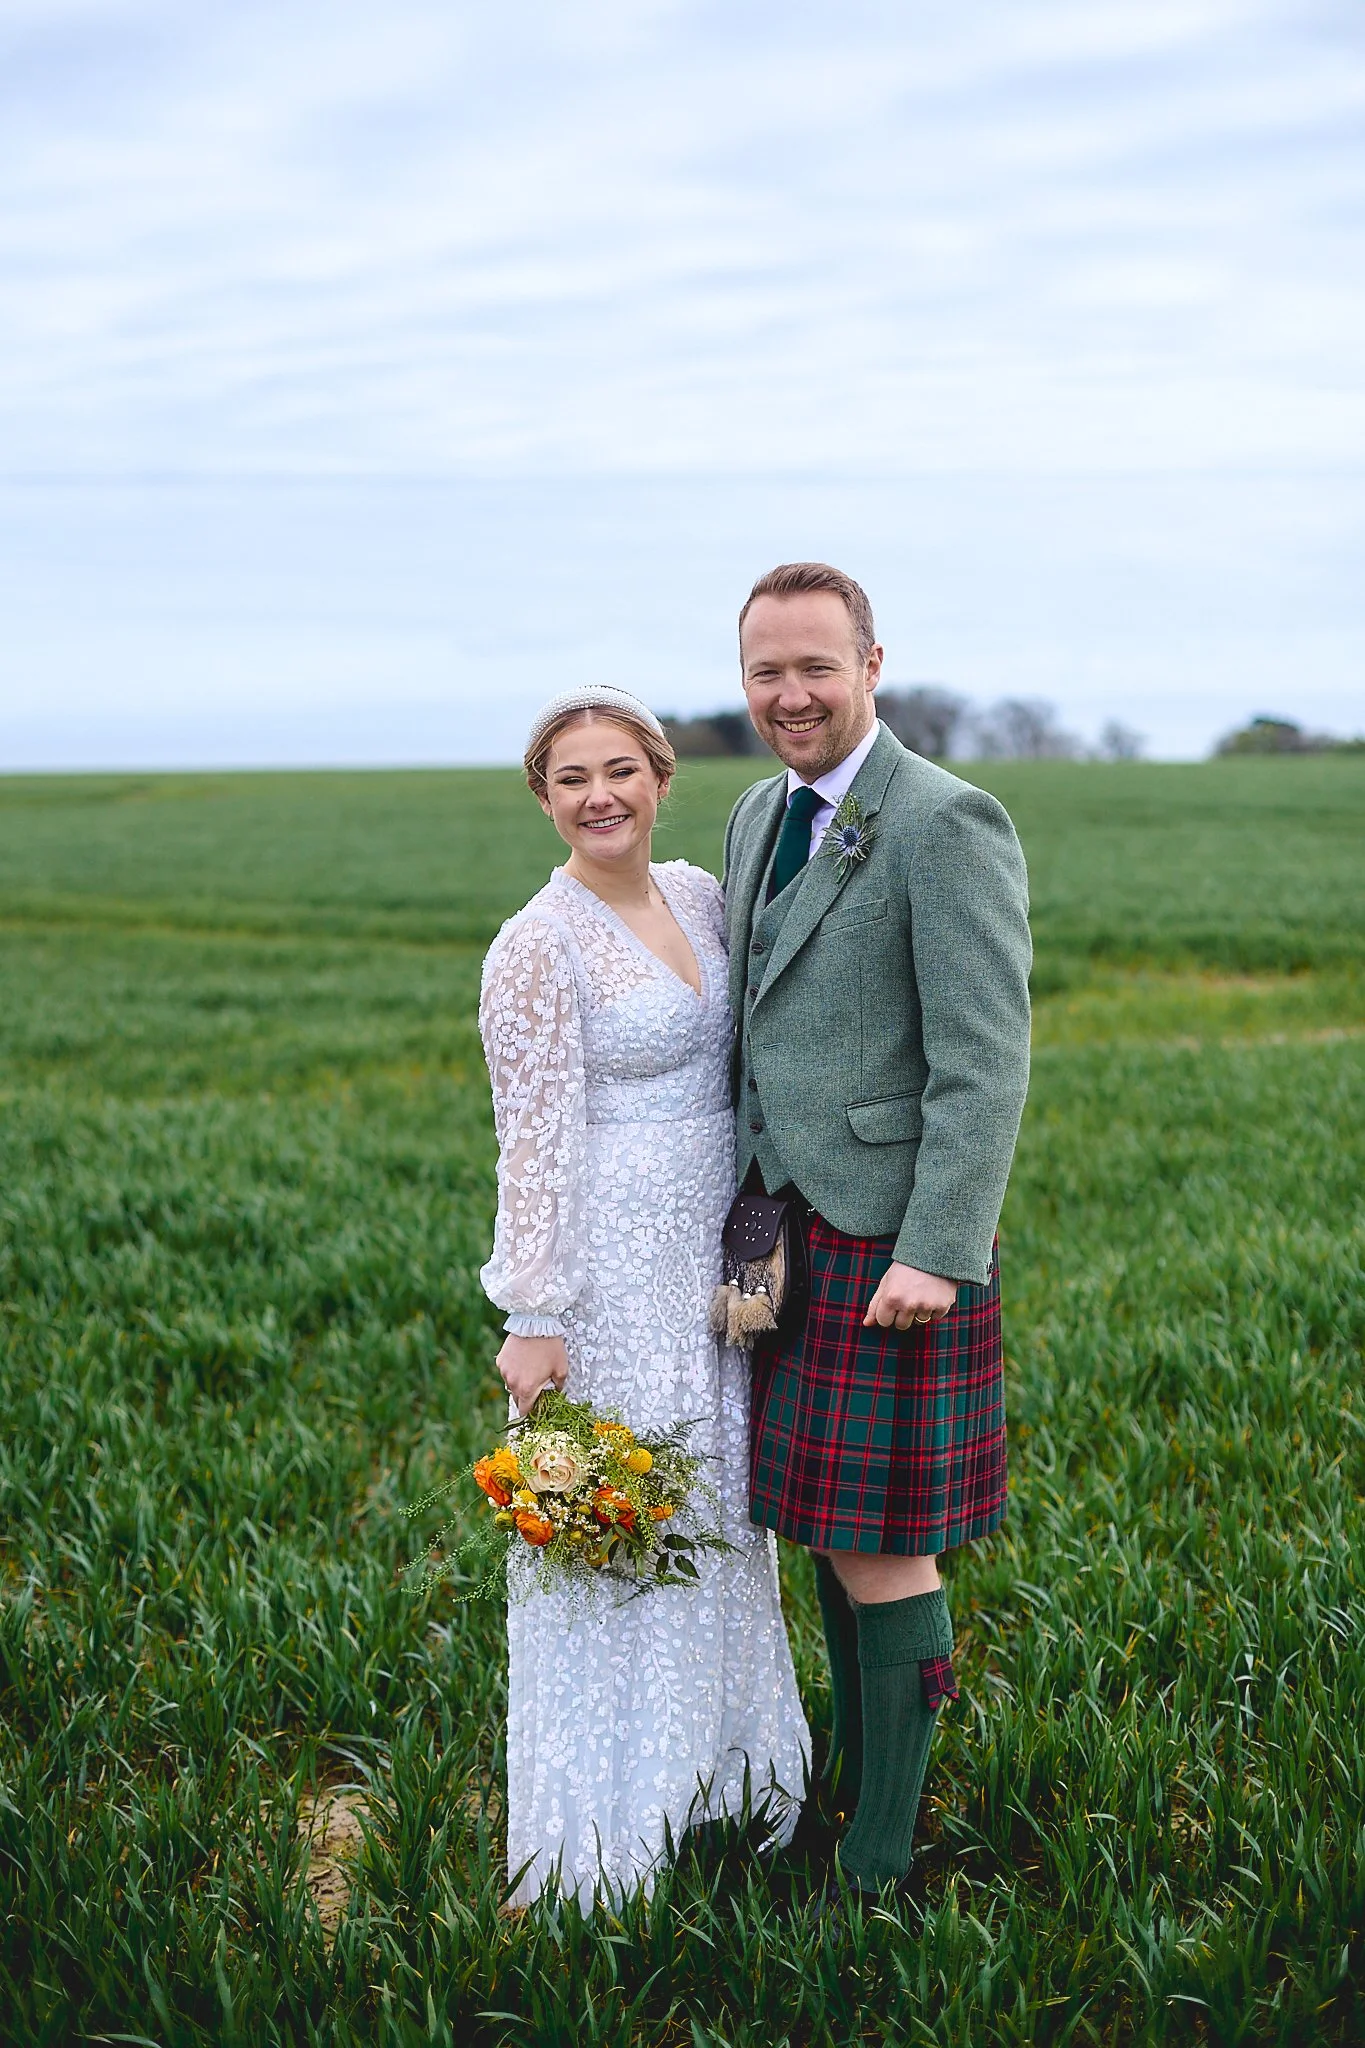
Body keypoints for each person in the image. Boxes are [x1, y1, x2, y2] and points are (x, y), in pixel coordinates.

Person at [723, 563, 1032, 1898]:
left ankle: (882, 1857)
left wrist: (940, 1248)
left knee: (878, 1536)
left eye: (814, 668)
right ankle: (854, 1791)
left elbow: (983, 1058)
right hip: (777, 1228)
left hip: (889, 1237)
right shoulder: (754, 814)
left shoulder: (945, 821)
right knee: (819, 1526)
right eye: (765, 672)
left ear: (871, 666)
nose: (790, 695)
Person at [478, 685, 810, 1908]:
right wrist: (535, 1312)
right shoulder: (536, 943)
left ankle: (727, 1785)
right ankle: (601, 1824)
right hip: (610, 1265)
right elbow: (534, 1141)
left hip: (719, 1253)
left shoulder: (702, 895)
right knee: (626, 1516)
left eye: (621, 768)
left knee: (723, 1495)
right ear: (545, 797)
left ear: (663, 777)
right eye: (573, 777)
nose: (600, 794)